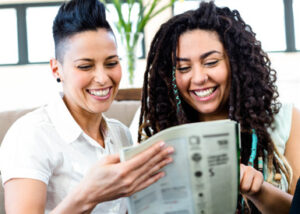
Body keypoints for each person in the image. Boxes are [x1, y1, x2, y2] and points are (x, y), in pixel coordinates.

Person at [0, 0, 174, 213]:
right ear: (57, 69)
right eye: (85, 66)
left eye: (111, 63)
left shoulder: (120, 135)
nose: (102, 78)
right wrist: (88, 194)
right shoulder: (31, 134)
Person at [138, 1, 300, 213]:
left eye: (211, 62)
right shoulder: (160, 128)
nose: (198, 78)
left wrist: (259, 191)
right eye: (184, 67)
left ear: (236, 62)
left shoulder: (286, 120)